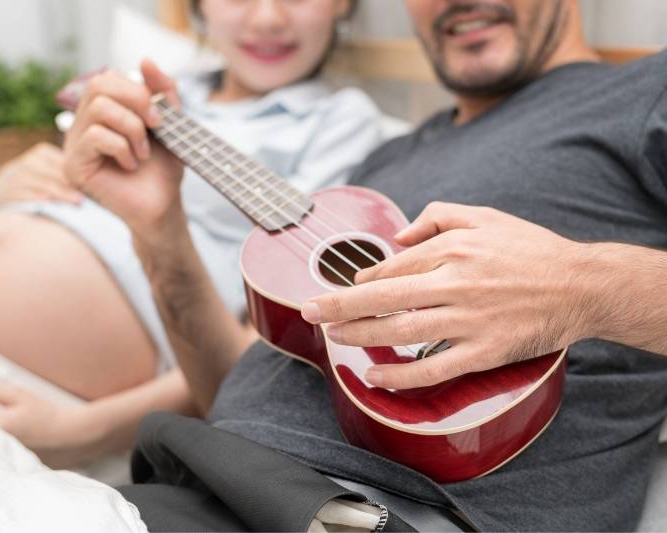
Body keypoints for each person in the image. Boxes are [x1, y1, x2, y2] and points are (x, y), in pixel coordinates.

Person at [62, 0, 667, 530]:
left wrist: (582, 287)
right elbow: (244, 387)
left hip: (394, 512)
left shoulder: (645, 91)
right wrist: (160, 235)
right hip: (200, 478)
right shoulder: (379, 167)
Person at [0, 0, 385, 475]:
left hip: (51, 402)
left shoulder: (341, 122)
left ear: (342, 6)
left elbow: (263, 354)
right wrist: (3, 189)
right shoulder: (164, 91)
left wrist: (78, 431)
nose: (267, 18)